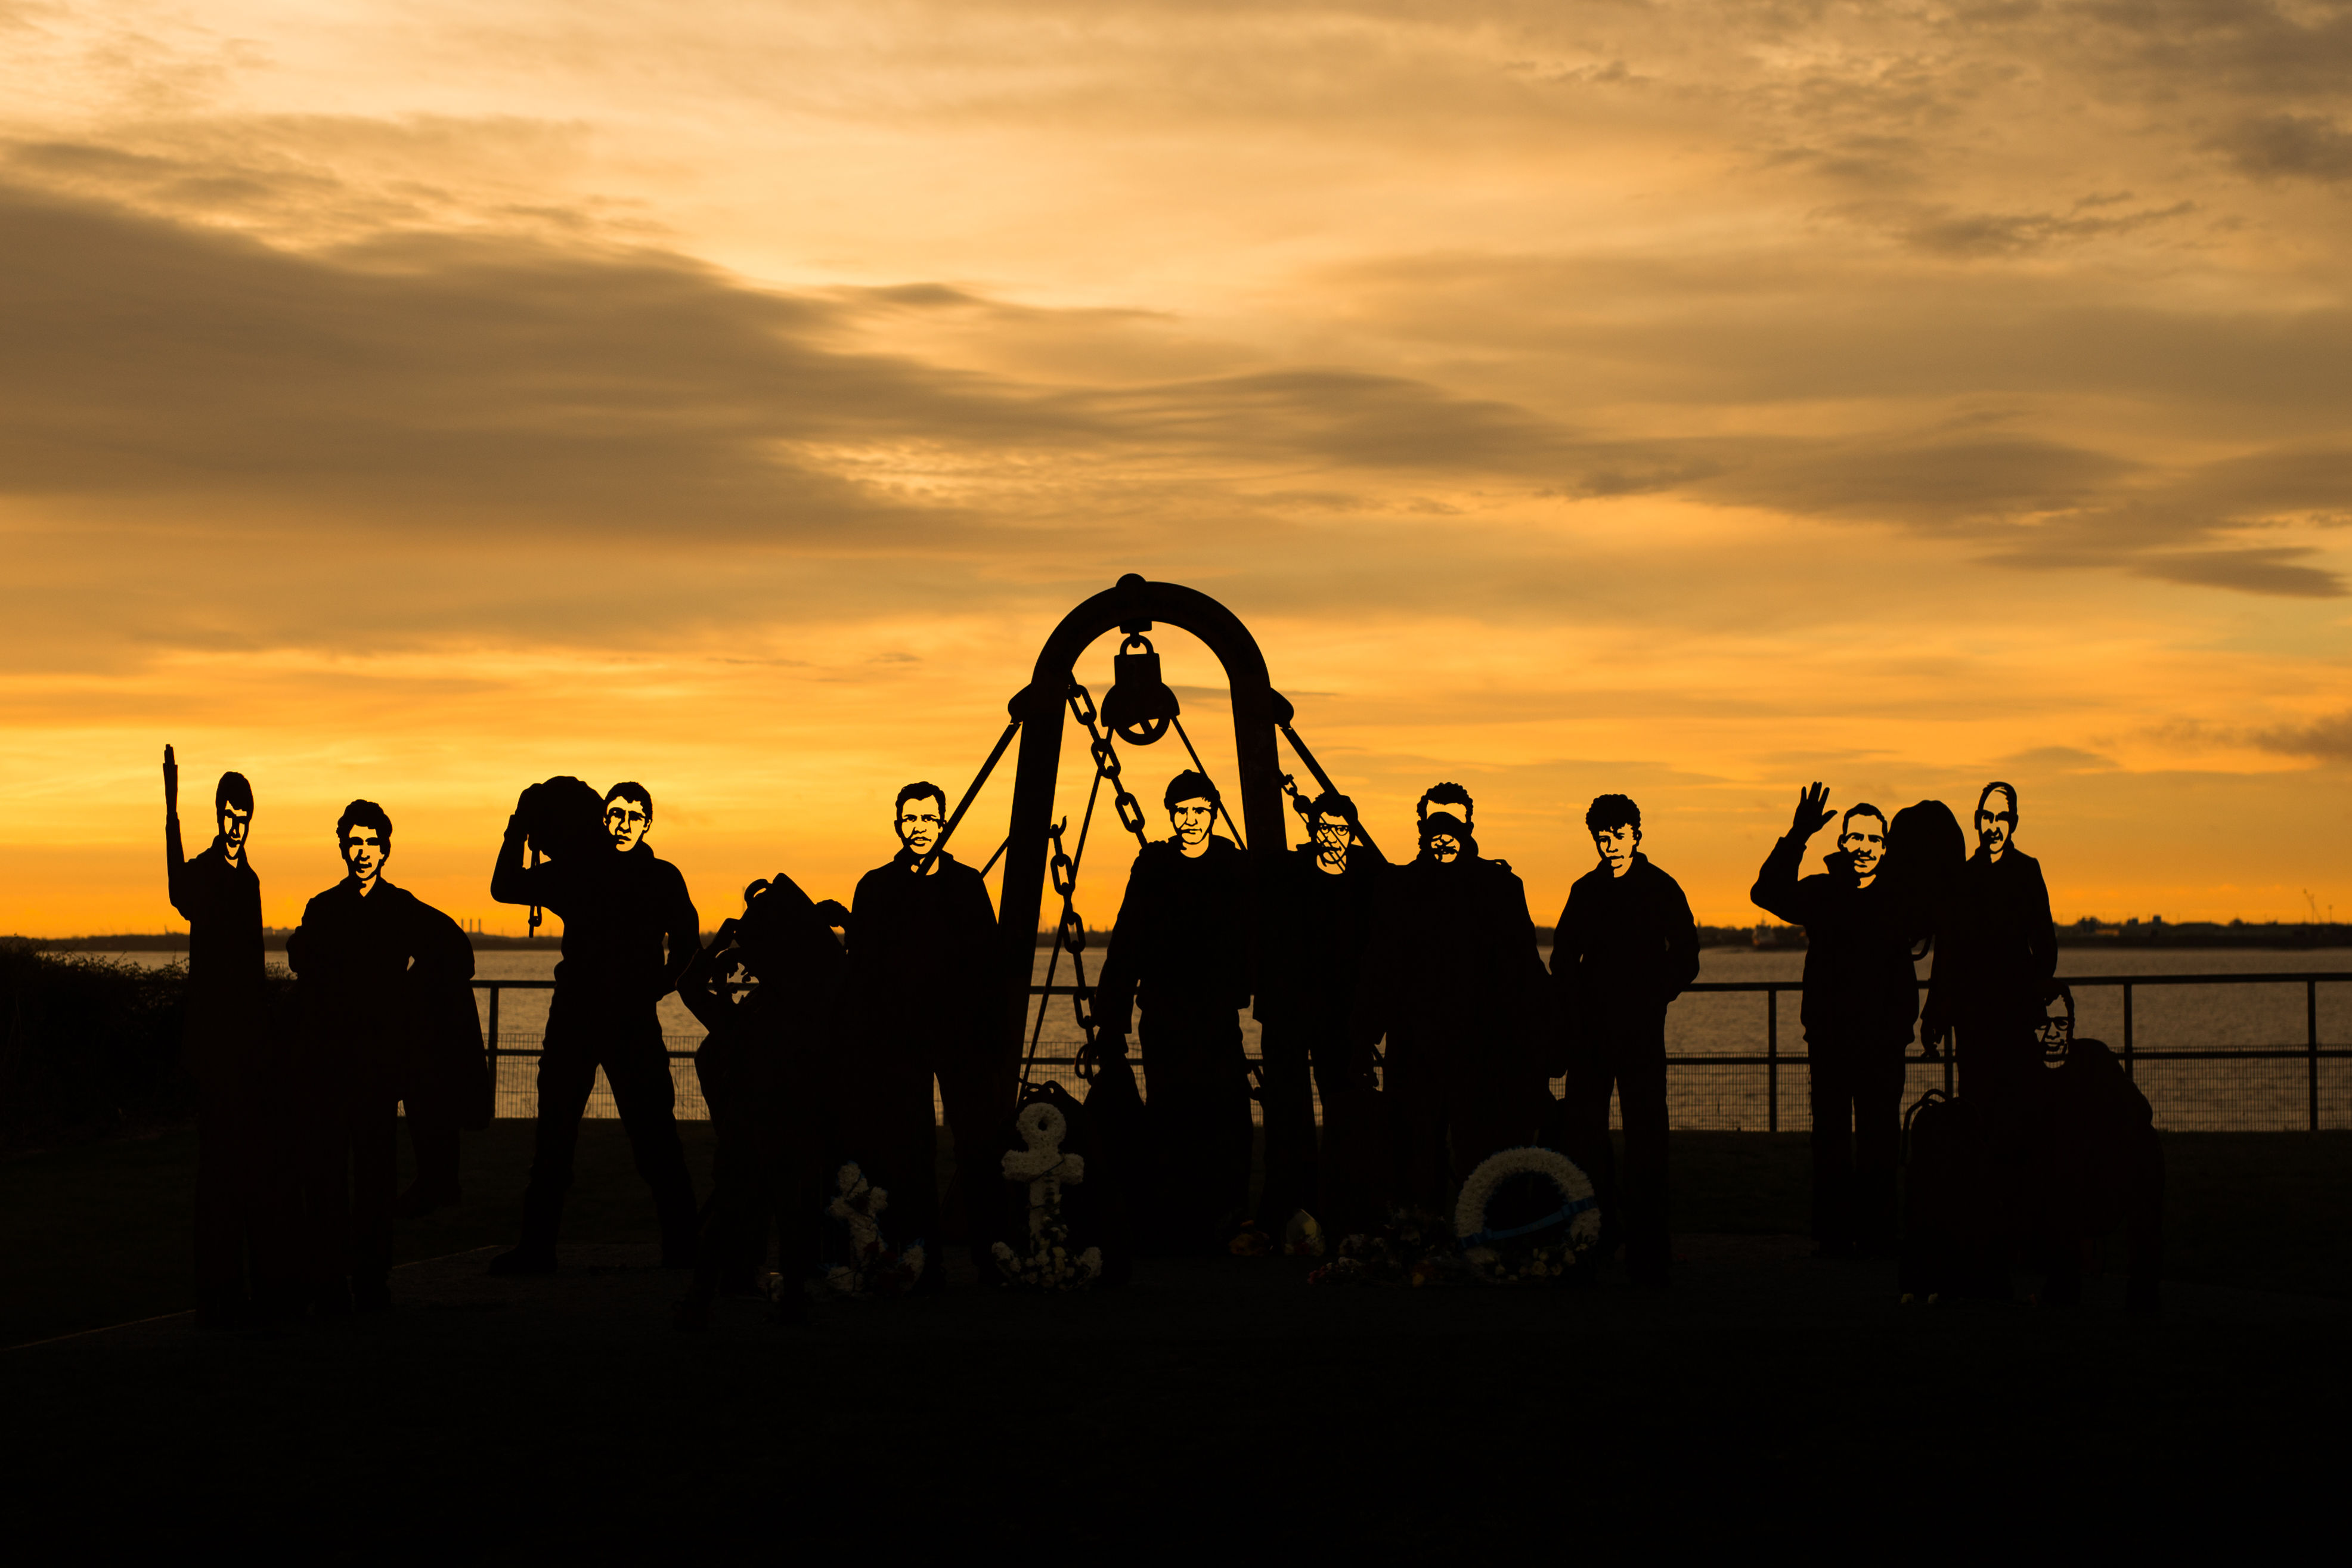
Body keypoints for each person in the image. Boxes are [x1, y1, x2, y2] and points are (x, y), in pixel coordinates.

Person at [488, 778, 701, 1274]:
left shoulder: (583, 873)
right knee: (630, 1135)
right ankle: (682, 1247)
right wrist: (660, 985)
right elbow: (688, 947)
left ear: (645, 822)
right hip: (609, 1018)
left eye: (632, 815)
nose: (621, 823)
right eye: (615, 813)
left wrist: (515, 831)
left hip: (590, 1016)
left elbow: (504, 885)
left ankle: (539, 1249)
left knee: (573, 1136)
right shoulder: (650, 875)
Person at [286, 800, 460, 1312]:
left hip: (377, 1067)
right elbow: (299, 954)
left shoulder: (401, 907)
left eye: (370, 843)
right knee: (327, 1174)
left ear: (385, 848)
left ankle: (370, 1274)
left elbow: (455, 951)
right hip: (333, 1063)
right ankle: (329, 1274)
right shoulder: (326, 907)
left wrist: (411, 987)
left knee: (373, 1175)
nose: (362, 852)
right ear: (343, 847)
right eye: (354, 843)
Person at [1350, 784, 1550, 1216]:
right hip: (1415, 1042)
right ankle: (1419, 1231)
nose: (1443, 834)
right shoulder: (1397, 886)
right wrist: (1364, 1033)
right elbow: (1379, 963)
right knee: (1413, 1147)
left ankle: (1479, 1234)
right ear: (1421, 827)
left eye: (1452, 823)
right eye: (1434, 823)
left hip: (1481, 1045)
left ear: (1469, 826)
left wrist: (1539, 1037)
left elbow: (1522, 968)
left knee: (1480, 1147)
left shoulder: (1498, 886)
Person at [841, 781, 1004, 1285]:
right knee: (909, 1150)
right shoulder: (875, 888)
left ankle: (987, 1255)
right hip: (899, 1040)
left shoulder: (966, 886)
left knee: (976, 1146)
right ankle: (922, 1257)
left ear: (943, 824)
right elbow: (862, 969)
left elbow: (987, 962)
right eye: (910, 820)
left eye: (928, 820)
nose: (918, 829)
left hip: (958, 1037)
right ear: (898, 825)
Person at [1749, 785, 1921, 1258]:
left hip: (1882, 1040)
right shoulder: (1822, 893)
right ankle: (1833, 1234)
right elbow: (1765, 891)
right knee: (1830, 1139)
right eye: (1855, 838)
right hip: (1830, 1037)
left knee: (1879, 1140)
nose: (1863, 847)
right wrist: (1798, 834)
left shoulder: (1900, 896)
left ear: (1884, 847)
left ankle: (1877, 1232)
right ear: (1842, 844)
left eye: (1872, 839)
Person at [1092, 769, 1257, 1254]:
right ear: (1172, 815)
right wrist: (1111, 1018)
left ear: (1212, 813)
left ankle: (1225, 1215)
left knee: (1224, 1114)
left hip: (1213, 1014)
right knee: (1170, 1114)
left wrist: (1244, 987)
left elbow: (1254, 936)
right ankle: (1174, 1221)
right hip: (1165, 1015)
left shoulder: (1232, 868)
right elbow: (1127, 941)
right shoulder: (1154, 868)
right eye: (1183, 811)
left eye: (1200, 811)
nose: (1191, 820)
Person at [675, 874, 845, 1327]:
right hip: (793, 1118)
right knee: (794, 1208)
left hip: (747, 1120)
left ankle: (699, 1297)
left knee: (732, 1205)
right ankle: (790, 1298)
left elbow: (689, 987)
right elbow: (848, 972)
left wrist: (719, 945)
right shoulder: (814, 1007)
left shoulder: (744, 1019)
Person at [163, 745, 294, 1325]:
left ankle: (252, 1286)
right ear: (218, 814)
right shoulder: (205, 873)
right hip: (218, 1046)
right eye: (229, 814)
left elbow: (252, 963)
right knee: (218, 1173)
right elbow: (177, 890)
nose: (236, 824)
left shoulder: (251, 879)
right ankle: (218, 1293)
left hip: (248, 1045)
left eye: (243, 815)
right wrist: (170, 809)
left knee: (253, 1170)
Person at [1552, 793, 1699, 1285]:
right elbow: (1562, 958)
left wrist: (1652, 995)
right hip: (1595, 1033)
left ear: (1636, 833)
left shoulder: (1657, 888)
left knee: (1644, 1140)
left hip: (1633, 1030)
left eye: (1616, 834)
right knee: (1589, 1138)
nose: (1609, 843)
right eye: (1601, 836)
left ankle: (1644, 1245)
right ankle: (1599, 1237)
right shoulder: (1589, 889)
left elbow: (1685, 955)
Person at [1253, 792, 1387, 1236]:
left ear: (1351, 832)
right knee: (1288, 1111)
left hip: (1342, 1016)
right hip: (1291, 1011)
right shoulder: (1288, 874)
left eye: (1340, 829)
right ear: (1313, 830)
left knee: (1344, 1109)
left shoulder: (1369, 878)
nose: (1332, 837)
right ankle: (1290, 1203)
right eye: (1325, 828)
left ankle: (1341, 1204)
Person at [1920, 782, 2057, 1118]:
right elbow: (1947, 951)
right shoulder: (1990, 875)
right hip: (1986, 1011)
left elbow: (2044, 942)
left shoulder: (1986, 875)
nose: (1993, 825)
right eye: (1987, 817)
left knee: (2004, 1102)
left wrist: (1935, 1012)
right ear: (1977, 820)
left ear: (2013, 822)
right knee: (1986, 1102)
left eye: (2001, 818)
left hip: (1998, 1008)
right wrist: (1934, 1013)